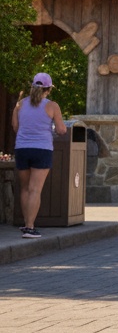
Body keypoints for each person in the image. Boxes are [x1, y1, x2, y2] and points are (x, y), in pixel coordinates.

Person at [12, 72, 67, 239]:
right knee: (35, 189)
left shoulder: (20, 104)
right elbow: (61, 129)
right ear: (48, 89)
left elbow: (15, 127)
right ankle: (30, 227)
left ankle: (26, 224)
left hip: (22, 148)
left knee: (25, 188)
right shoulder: (52, 106)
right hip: (42, 150)